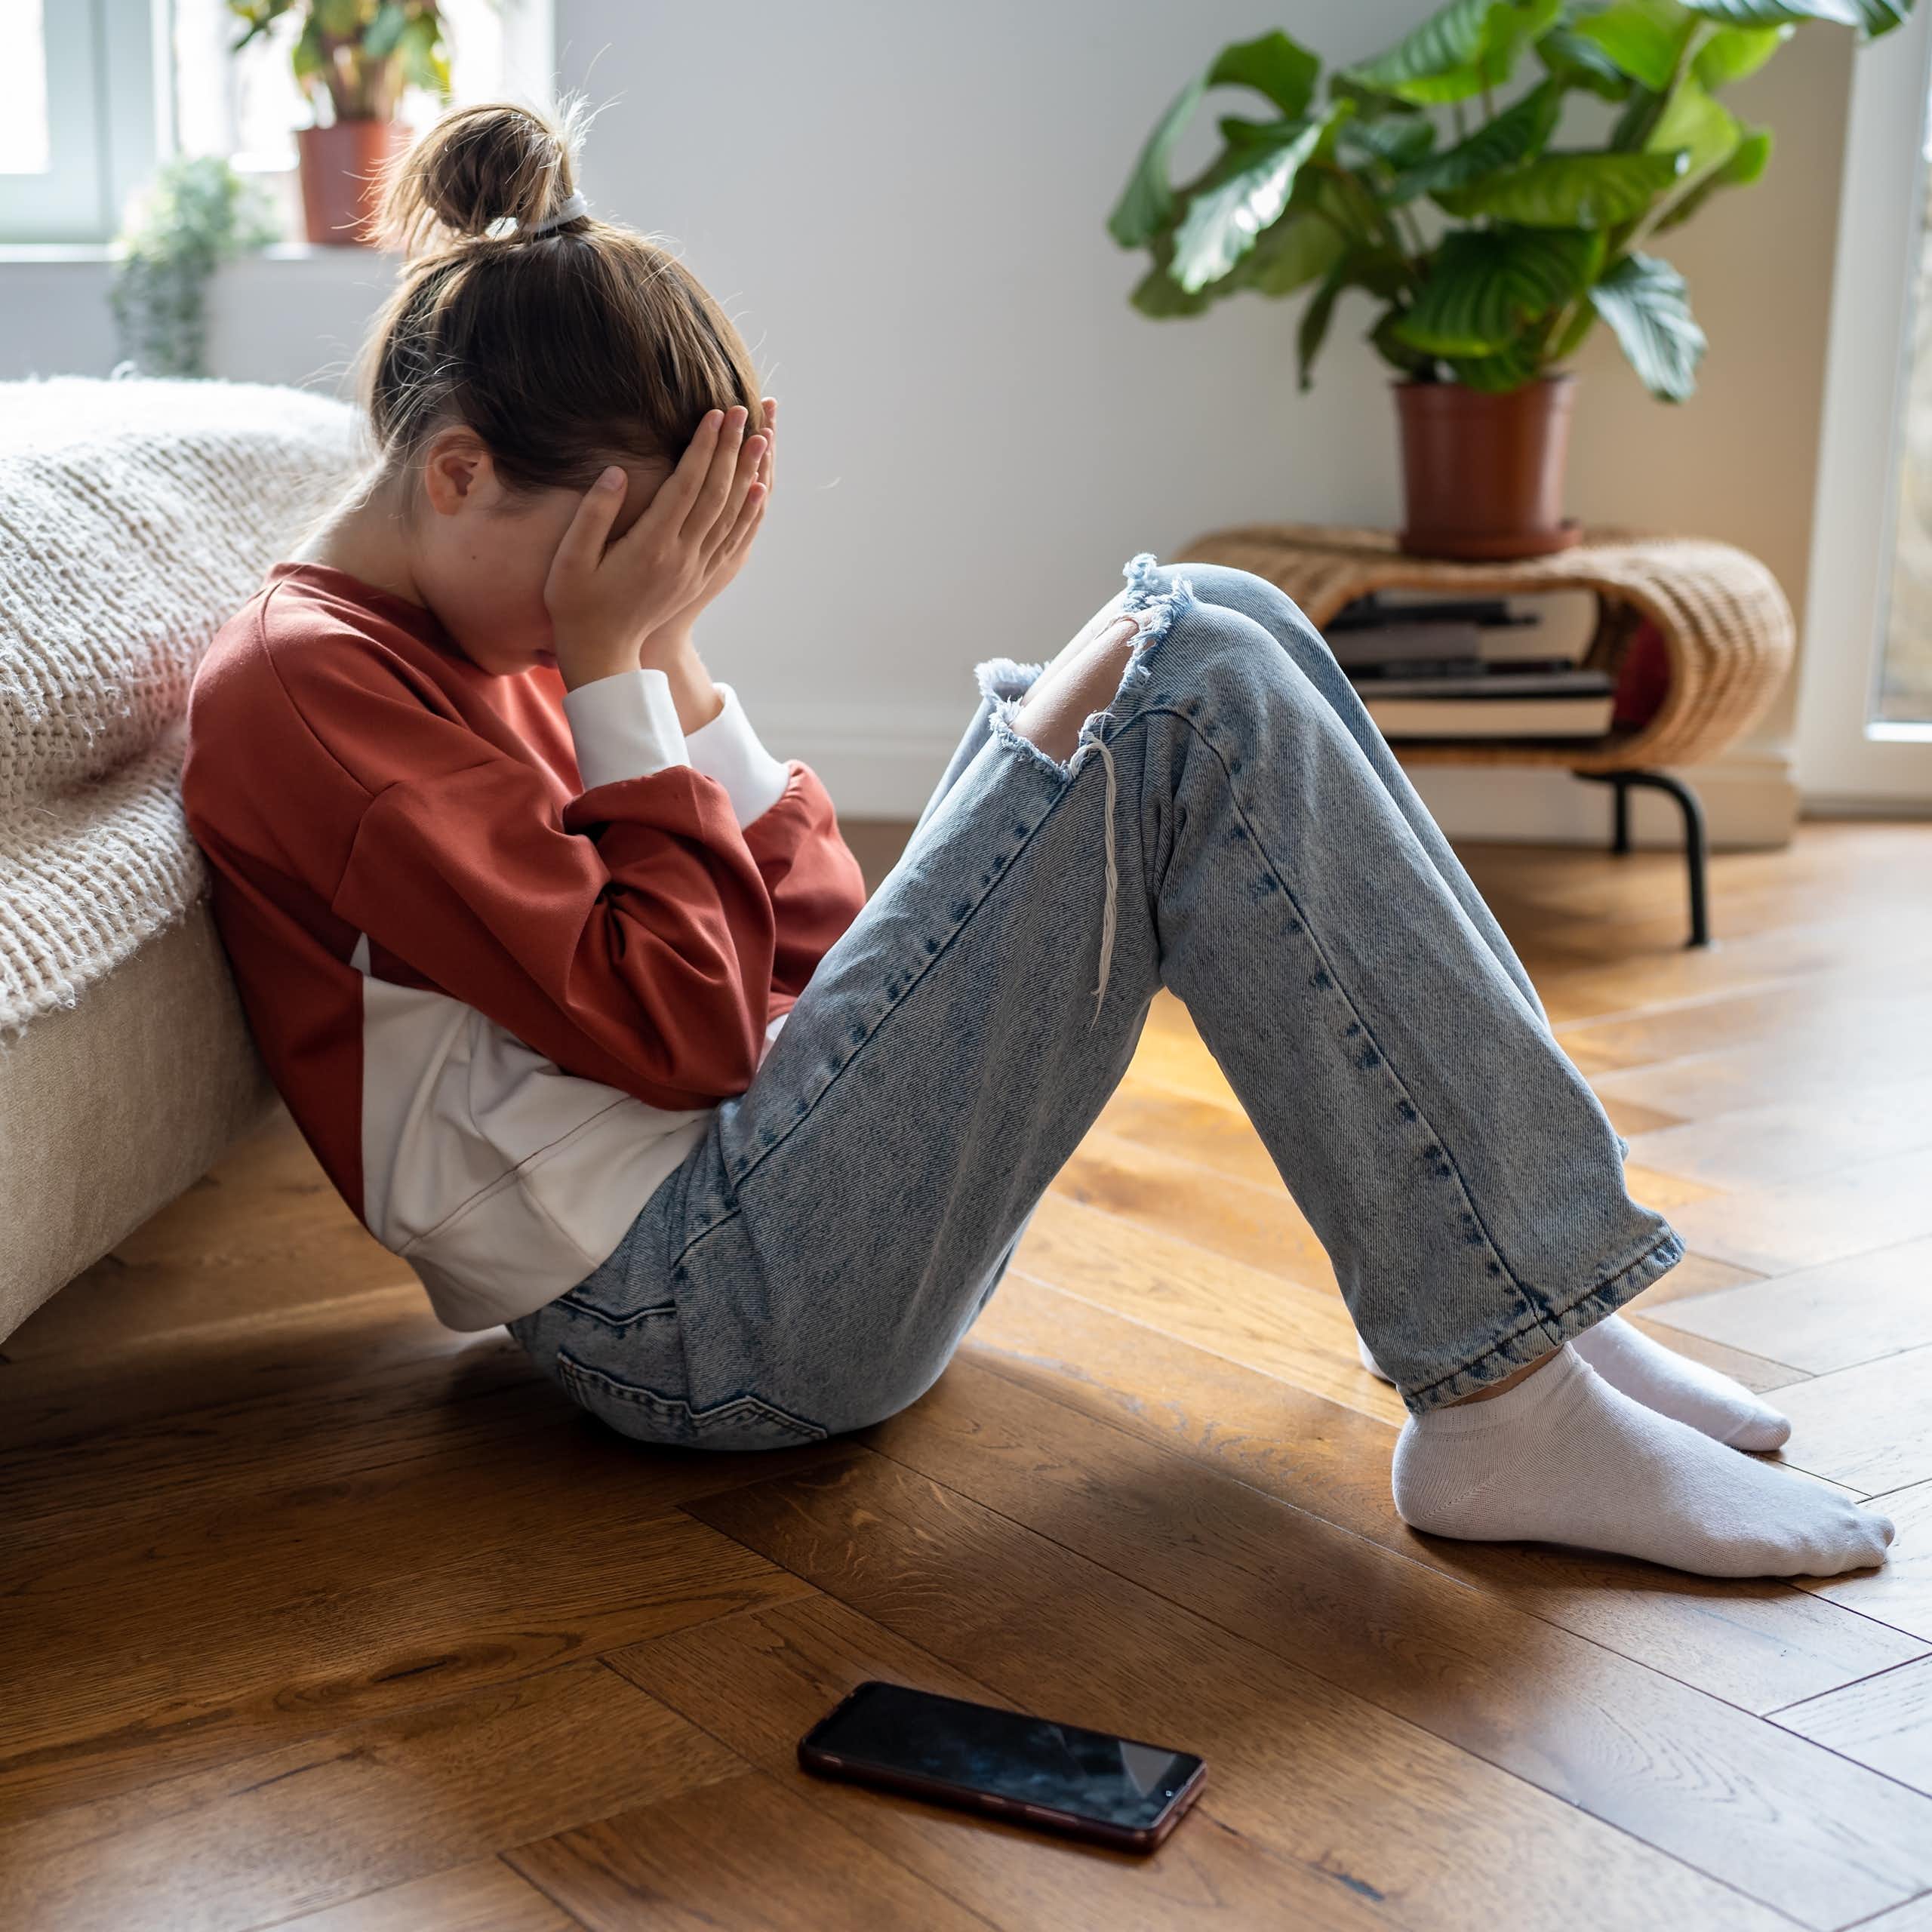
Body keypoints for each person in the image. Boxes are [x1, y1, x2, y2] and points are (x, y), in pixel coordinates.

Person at [183, 100, 1893, 1583]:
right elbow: (690, 1029)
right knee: (1194, 677)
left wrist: (670, 652)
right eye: (620, 553)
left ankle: (1536, 1310)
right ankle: (1506, 1393)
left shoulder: (506, 630)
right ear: (461, 472)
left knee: (1205, 618)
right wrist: (616, 661)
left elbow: (808, 943)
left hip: (751, 1224)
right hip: (685, 1320)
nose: (617, 603)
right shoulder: (319, 690)